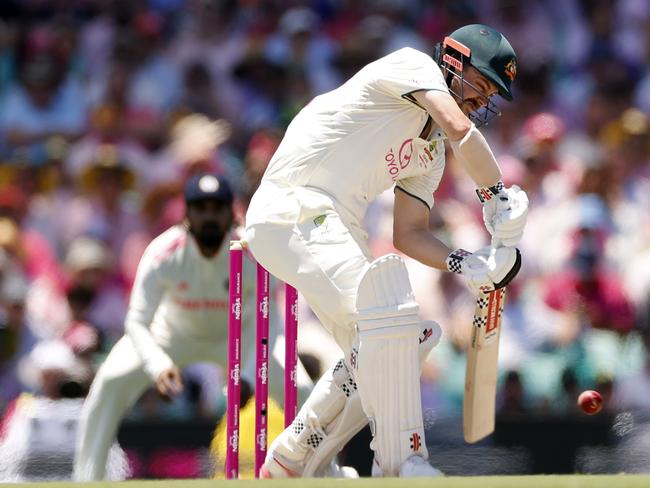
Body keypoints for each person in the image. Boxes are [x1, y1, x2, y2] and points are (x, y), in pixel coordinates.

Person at [244, 24, 529, 478]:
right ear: (454, 62)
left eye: (491, 94)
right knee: (392, 325)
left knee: (401, 343)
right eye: (482, 85)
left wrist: (467, 264)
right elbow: (460, 127)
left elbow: (408, 232)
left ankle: (300, 457)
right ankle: (401, 462)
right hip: (295, 205)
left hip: (336, 226)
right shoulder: (411, 66)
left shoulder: (431, 150)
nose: (482, 101)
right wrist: (496, 196)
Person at [73, 173, 313, 481]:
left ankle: (319, 472)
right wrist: (157, 364)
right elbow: (137, 320)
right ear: (187, 213)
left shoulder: (254, 252)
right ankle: (86, 478)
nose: (209, 216)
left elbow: (273, 322)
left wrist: (250, 376)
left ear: (232, 212)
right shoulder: (164, 252)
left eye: (217, 207)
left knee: (303, 389)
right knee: (109, 381)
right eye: (201, 207)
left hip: (240, 338)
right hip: (173, 336)